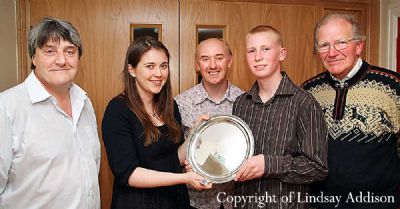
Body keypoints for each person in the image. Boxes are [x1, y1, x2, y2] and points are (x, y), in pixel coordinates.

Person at [0, 17, 100, 209]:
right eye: (50, 51)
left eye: (70, 51)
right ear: (33, 57)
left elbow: (91, 168)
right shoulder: (7, 108)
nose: (62, 60)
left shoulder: (84, 102)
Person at [302, 13, 400, 209]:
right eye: (323, 45)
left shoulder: (393, 86)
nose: (332, 52)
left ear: (359, 46)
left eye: (340, 42)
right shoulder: (308, 91)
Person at [101, 36, 211, 209]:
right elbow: (129, 174)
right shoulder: (118, 110)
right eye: (150, 66)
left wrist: (195, 134)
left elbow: (175, 158)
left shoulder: (169, 105)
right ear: (132, 70)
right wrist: (183, 178)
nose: (159, 74)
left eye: (163, 66)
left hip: (174, 201)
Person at [231, 25, 328, 209]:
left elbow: (317, 168)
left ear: (282, 54)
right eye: (251, 51)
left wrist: (269, 164)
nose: (258, 57)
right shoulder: (240, 103)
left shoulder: (304, 103)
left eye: (266, 49)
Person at [175, 38, 243, 209]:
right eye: (205, 59)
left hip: (236, 200)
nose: (213, 65)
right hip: (195, 202)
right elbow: (172, 157)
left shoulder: (245, 102)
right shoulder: (181, 103)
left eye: (219, 57)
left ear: (230, 61)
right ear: (197, 65)